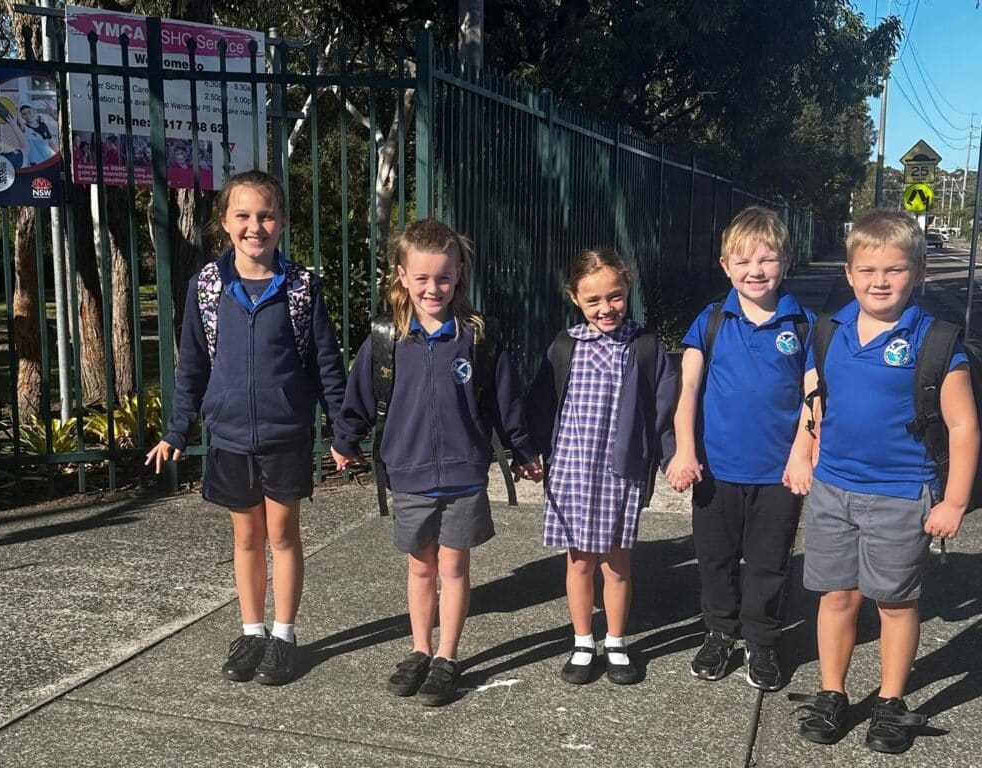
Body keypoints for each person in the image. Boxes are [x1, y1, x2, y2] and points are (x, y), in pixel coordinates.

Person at [787, 210, 979, 754]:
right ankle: (833, 692)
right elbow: (818, 399)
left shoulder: (936, 342)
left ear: (918, 274)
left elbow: (964, 426)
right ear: (849, 273)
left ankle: (892, 702)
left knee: (895, 602)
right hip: (832, 489)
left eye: (895, 270)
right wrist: (806, 451)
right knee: (836, 596)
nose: (880, 281)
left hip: (901, 493)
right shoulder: (831, 330)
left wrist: (955, 500)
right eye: (868, 269)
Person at [145, 169, 346, 686]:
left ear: (281, 223)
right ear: (225, 223)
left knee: (282, 535)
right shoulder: (208, 287)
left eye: (266, 215)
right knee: (246, 538)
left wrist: (343, 434)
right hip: (230, 436)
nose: (255, 226)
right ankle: (252, 630)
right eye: (244, 215)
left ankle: (284, 634)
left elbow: (327, 365)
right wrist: (176, 430)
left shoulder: (302, 288)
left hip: (284, 435)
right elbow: (192, 364)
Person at [330, 218, 541, 707]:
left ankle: (447, 657)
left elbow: (504, 403)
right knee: (420, 568)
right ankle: (419, 649)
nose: (433, 288)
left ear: (459, 273)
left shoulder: (476, 338)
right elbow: (359, 397)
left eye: (443, 278)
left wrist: (523, 450)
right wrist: (345, 439)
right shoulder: (387, 340)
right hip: (409, 473)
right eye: (422, 278)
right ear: (402, 275)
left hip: (464, 473)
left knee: (454, 567)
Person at [666, 206, 813, 692]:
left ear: (786, 261)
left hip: (779, 474)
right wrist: (684, 451)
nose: (755, 271)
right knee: (716, 558)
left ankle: (762, 639)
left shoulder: (805, 324)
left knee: (769, 562)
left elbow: (815, 397)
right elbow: (686, 392)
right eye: (743, 261)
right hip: (716, 470)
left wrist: (802, 453)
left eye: (767, 259)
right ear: (725, 265)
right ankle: (720, 631)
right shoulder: (710, 322)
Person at [527, 248, 677, 686]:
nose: (606, 308)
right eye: (593, 300)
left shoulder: (645, 346)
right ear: (574, 297)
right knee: (579, 563)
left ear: (626, 290)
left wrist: (672, 458)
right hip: (572, 470)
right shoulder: (564, 346)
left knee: (617, 564)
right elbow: (541, 405)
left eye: (614, 297)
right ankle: (582, 640)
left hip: (621, 472)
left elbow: (664, 409)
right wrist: (528, 453)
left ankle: (615, 640)